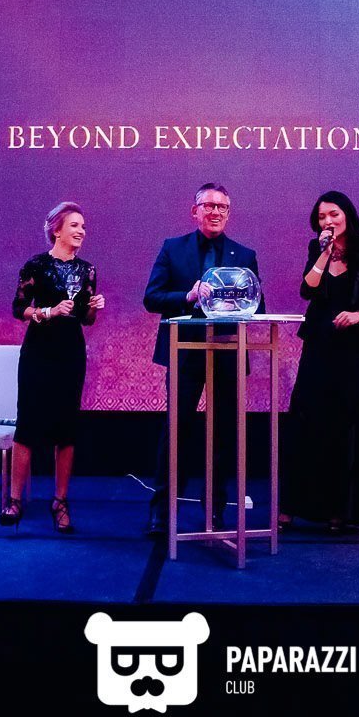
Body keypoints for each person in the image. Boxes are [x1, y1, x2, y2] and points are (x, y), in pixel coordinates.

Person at [143, 183, 261, 536]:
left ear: (229, 213)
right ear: (194, 211)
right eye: (208, 206)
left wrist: (232, 304)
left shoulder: (245, 256)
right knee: (176, 430)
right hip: (184, 351)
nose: (215, 212)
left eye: (221, 207)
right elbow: (152, 297)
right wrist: (188, 296)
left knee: (223, 433)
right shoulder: (172, 248)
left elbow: (259, 306)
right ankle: (162, 512)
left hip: (227, 351)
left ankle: (215, 512)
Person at [280, 191, 359, 532]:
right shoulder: (317, 249)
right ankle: (294, 506)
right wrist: (324, 253)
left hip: (353, 350)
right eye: (321, 217)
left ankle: (340, 509)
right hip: (319, 344)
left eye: (334, 214)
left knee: (346, 426)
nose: (328, 221)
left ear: (347, 216)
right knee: (307, 420)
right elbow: (307, 290)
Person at [3, 202, 105, 533]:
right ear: (56, 230)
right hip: (38, 351)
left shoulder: (87, 270)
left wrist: (94, 307)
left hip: (70, 352)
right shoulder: (36, 265)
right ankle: (15, 500)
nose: (81, 231)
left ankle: (60, 502)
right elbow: (19, 308)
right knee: (28, 424)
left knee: (66, 427)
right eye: (74, 225)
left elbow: (86, 320)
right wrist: (47, 312)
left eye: (83, 226)